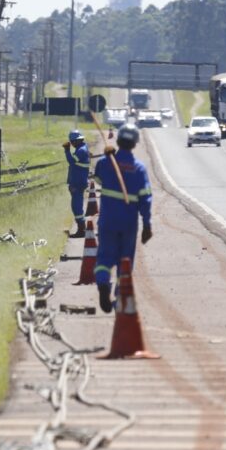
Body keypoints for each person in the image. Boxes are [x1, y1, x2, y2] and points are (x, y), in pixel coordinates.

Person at [91, 124, 152, 314]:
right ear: (134, 144)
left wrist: (107, 157)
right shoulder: (139, 169)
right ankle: (119, 296)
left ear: (117, 142)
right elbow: (145, 198)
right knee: (125, 260)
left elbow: (98, 179)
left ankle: (102, 283)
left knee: (104, 257)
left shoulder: (106, 163)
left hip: (107, 220)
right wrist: (147, 224)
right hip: (128, 223)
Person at [63, 129, 91, 238]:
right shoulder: (82, 148)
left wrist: (66, 150)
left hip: (78, 183)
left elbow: (71, 161)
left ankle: (81, 230)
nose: (72, 144)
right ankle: (81, 228)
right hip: (78, 181)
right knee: (76, 206)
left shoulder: (81, 151)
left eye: (73, 142)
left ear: (76, 141)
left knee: (77, 207)